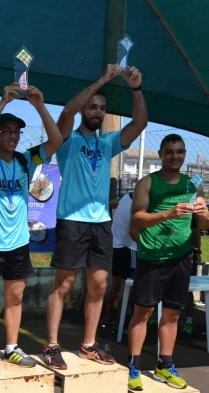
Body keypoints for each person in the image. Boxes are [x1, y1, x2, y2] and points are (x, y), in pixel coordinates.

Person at [43, 63, 148, 367]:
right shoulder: (66, 140)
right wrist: (102, 79)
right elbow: (65, 113)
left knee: (99, 284)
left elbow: (139, 123)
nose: (97, 111)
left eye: (101, 107)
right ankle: (52, 345)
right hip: (72, 221)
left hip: (101, 223)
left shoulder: (107, 143)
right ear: (84, 109)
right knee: (62, 284)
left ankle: (88, 343)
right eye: (92, 106)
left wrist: (136, 87)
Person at [0, 83, 62, 371]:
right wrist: (3, 102)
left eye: (17, 132)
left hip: (17, 243)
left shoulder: (25, 160)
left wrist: (40, 106)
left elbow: (56, 141)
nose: (13, 136)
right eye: (7, 131)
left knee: (15, 297)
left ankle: (11, 348)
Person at [127, 134, 209, 390]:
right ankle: (133, 366)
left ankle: (165, 365)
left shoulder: (193, 185)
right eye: (169, 152)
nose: (175, 156)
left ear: (184, 154)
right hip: (153, 257)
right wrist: (168, 213)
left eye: (179, 152)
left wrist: (205, 216)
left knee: (173, 315)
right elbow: (136, 220)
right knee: (144, 313)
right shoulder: (147, 183)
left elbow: (205, 226)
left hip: (182, 257)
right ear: (161, 155)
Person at [101, 190, 139, 335]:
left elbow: (109, 204)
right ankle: (120, 323)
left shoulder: (124, 198)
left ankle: (108, 318)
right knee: (127, 289)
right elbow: (133, 232)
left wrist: (109, 222)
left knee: (115, 285)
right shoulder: (137, 204)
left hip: (115, 246)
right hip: (128, 248)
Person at [181, 214, 202, 335]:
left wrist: (198, 252)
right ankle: (155, 318)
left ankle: (189, 321)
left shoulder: (192, 216)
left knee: (188, 289)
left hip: (188, 256)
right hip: (170, 256)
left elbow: (196, 233)